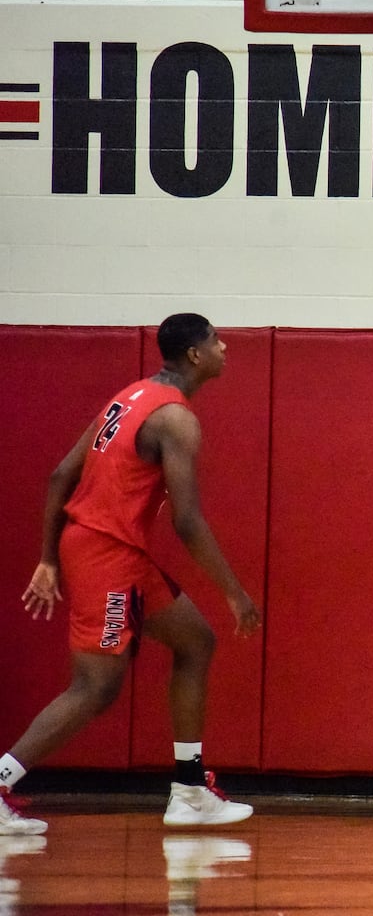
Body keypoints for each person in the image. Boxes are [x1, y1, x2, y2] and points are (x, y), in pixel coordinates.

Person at [0, 314, 261, 835]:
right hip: (107, 553)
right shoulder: (176, 419)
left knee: (195, 642)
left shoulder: (129, 397)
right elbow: (187, 521)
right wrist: (234, 592)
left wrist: (50, 557)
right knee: (96, 687)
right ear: (194, 355)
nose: (225, 347)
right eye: (215, 340)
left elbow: (59, 475)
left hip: (110, 549)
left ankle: (189, 790)